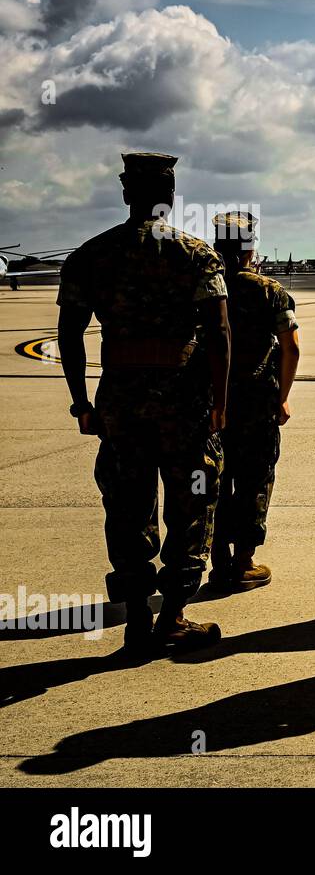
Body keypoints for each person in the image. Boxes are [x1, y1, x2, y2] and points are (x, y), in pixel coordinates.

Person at [56, 152, 227, 653]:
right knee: (192, 503)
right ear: (170, 196)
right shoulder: (195, 254)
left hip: (121, 400)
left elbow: (69, 332)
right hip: (185, 400)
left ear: (126, 192)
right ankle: (172, 614)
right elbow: (218, 330)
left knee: (128, 505)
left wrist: (82, 402)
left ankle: (135, 616)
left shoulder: (91, 255)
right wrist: (220, 401)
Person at [209, 211, 300, 592]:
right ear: (250, 249)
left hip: (212, 401)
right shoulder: (269, 290)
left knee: (214, 480)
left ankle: (217, 561)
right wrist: (282, 398)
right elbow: (291, 348)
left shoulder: (205, 287)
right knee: (255, 479)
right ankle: (244, 561)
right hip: (257, 401)